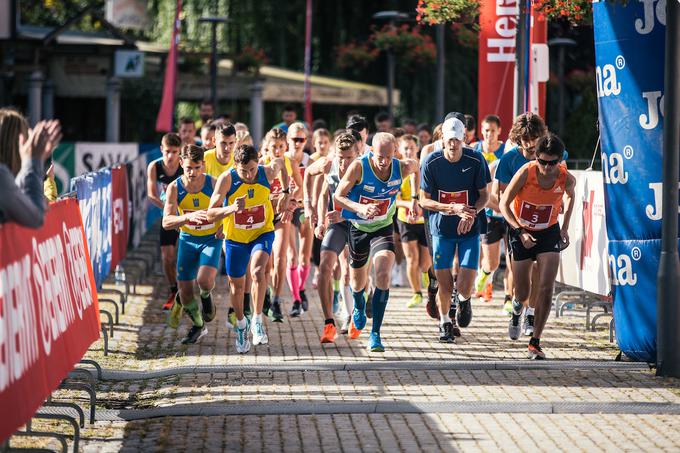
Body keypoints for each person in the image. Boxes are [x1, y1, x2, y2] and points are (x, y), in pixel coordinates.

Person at [334, 132, 419, 352]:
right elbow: (338, 196)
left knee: (383, 274)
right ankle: (359, 306)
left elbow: (416, 166)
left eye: (389, 157)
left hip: (383, 227)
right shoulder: (359, 167)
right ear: (371, 151)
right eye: (380, 156)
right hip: (360, 228)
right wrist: (361, 208)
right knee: (356, 283)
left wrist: (416, 199)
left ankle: (376, 334)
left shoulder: (402, 167)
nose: (384, 162)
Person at [208, 144, 290, 353]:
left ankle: (257, 319)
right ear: (235, 166)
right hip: (235, 238)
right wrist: (232, 208)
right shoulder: (228, 179)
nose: (249, 175)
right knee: (235, 285)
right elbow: (210, 213)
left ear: (258, 164)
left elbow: (281, 163)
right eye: (244, 171)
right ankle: (241, 324)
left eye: (252, 169)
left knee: (257, 271)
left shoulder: (267, 171)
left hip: (262, 233)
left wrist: (287, 193)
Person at [499, 133, 575, 359]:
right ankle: (516, 308)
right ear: (536, 157)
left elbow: (571, 196)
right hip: (521, 232)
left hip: (548, 232)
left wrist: (564, 227)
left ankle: (535, 342)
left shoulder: (565, 177)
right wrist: (520, 231)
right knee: (522, 291)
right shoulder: (526, 172)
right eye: (542, 161)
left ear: (560, 160)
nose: (547, 167)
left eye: (553, 163)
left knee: (546, 287)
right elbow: (504, 203)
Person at [420, 116, 490, 343]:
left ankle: (465, 299)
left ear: (464, 140)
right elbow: (424, 200)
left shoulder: (476, 159)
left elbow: (484, 196)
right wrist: (449, 207)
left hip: (468, 228)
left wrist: (471, 212)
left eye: (457, 141)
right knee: (444, 281)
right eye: (449, 140)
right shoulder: (431, 162)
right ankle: (445, 322)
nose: (452, 145)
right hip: (441, 230)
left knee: (466, 281)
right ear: (442, 139)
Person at [495, 112, 548, 331]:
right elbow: (501, 197)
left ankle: (531, 315)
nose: (529, 144)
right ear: (518, 138)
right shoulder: (509, 159)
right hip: (517, 222)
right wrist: (516, 224)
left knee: (538, 269)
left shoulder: (551, 153)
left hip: (544, 221)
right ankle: (517, 307)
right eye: (525, 140)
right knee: (522, 279)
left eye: (533, 139)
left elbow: (563, 176)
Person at [162, 145, 221, 344]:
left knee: (204, 280)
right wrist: (187, 219)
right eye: (188, 167)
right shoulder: (174, 188)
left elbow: (226, 210)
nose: (192, 172)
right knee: (185, 291)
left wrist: (224, 227)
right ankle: (198, 325)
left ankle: (206, 295)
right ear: (181, 164)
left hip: (211, 239)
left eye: (197, 167)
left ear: (203, 165)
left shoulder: (213, 184)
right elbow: (166, 221)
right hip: (188, 240)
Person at [305, 130, 358, 342]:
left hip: (358, 226)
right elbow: (310, 175)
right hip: (336, 225)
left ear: (357, 153)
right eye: (341, 158)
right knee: (324, 268)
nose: (344, 163)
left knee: (352, 275)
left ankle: (356, 313)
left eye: (349, 158)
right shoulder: (328, 164)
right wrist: (314, 213)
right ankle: (329, 322)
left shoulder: (364, 167)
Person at [261, 128, 303, 321]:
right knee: (267, 263)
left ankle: (277, 301)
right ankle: (267, 293)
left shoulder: (291, 163)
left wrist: (291, 202)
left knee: (280, 257)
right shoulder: (261, 165)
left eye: (280, 147)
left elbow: (300, 187)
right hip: (263, 217)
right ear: (267, 148)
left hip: (282, 216)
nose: (277, 151)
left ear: (285, 146)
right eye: (274, 147)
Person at [0, 109, 61, 227]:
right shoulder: (2, 176)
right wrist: (33, 161)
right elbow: (36, 218)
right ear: (17, 144)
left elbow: (16, 196)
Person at [147, 133, 184, 310]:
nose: (170, 156)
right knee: (167, 257)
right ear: (162, 149)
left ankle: (187, 292)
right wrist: (168, 208)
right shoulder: (154, 166)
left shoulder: (185, 167)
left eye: (175, 152)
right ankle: (173, 290)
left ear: (180, 152)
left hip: (185, 217)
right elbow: (151, 194)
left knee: (185, 258)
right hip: (169, 217)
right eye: (167, 151)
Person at [473, 115, 506, 303]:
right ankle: (484, 281)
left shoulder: (505, 151)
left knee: (509, 259)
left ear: (499, 131)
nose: (489, 134)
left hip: (505, 209)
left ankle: (505, 297)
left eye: (492, 130)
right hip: (484, 210)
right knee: (487, 257)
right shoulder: (476, 150)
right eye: (485, 130)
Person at [396, 134, 431, 308]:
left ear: (417, 148)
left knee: (425, 262)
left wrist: (419, 206)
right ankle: (416, 293)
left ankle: (426, 278)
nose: (409, 151)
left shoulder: (424, 167)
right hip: (405, 219)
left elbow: (429, 195)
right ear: (400, 150)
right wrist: (410, 205)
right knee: (411, 259)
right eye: (405, 148)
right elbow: (394, 199)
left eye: (412, 147)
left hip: (424, 220)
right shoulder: (396, 170)